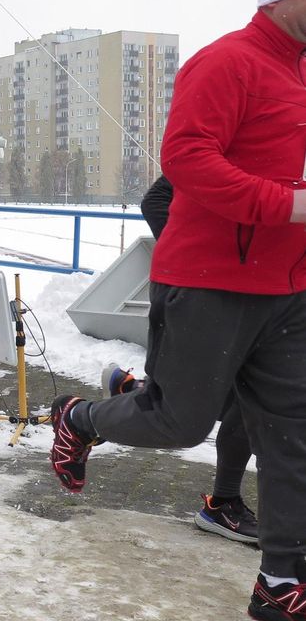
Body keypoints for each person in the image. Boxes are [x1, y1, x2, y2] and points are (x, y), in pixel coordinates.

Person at [47, 0, 306, 621]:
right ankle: (79, 418)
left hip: (289, 289)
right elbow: (186, 159)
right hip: (210, 280)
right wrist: (287, 203)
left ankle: (281, 582)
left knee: (291, 434)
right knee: (179, 420)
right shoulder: (229, 63)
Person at [102, 175, 257, 545]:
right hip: (203, 292)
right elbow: (155, 200)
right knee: (193, 413)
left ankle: (135, 392)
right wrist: (198, 255)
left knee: (249, 399)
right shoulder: (226, 144)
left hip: (262, 295)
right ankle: (86, 416)